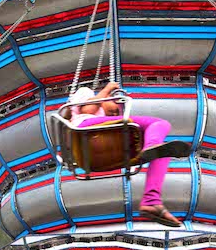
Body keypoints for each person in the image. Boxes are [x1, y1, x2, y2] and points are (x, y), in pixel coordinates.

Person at [67, 82, 191, 227]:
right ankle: (151, 146)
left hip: (97, 156)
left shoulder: (109, 126)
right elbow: (88, 109)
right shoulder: (86, 93)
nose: (115, 113)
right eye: (115, 106)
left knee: (163, 152)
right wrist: (108, 88)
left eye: (118, 112)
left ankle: (151, 200)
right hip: (85, 130)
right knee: (159, 123)